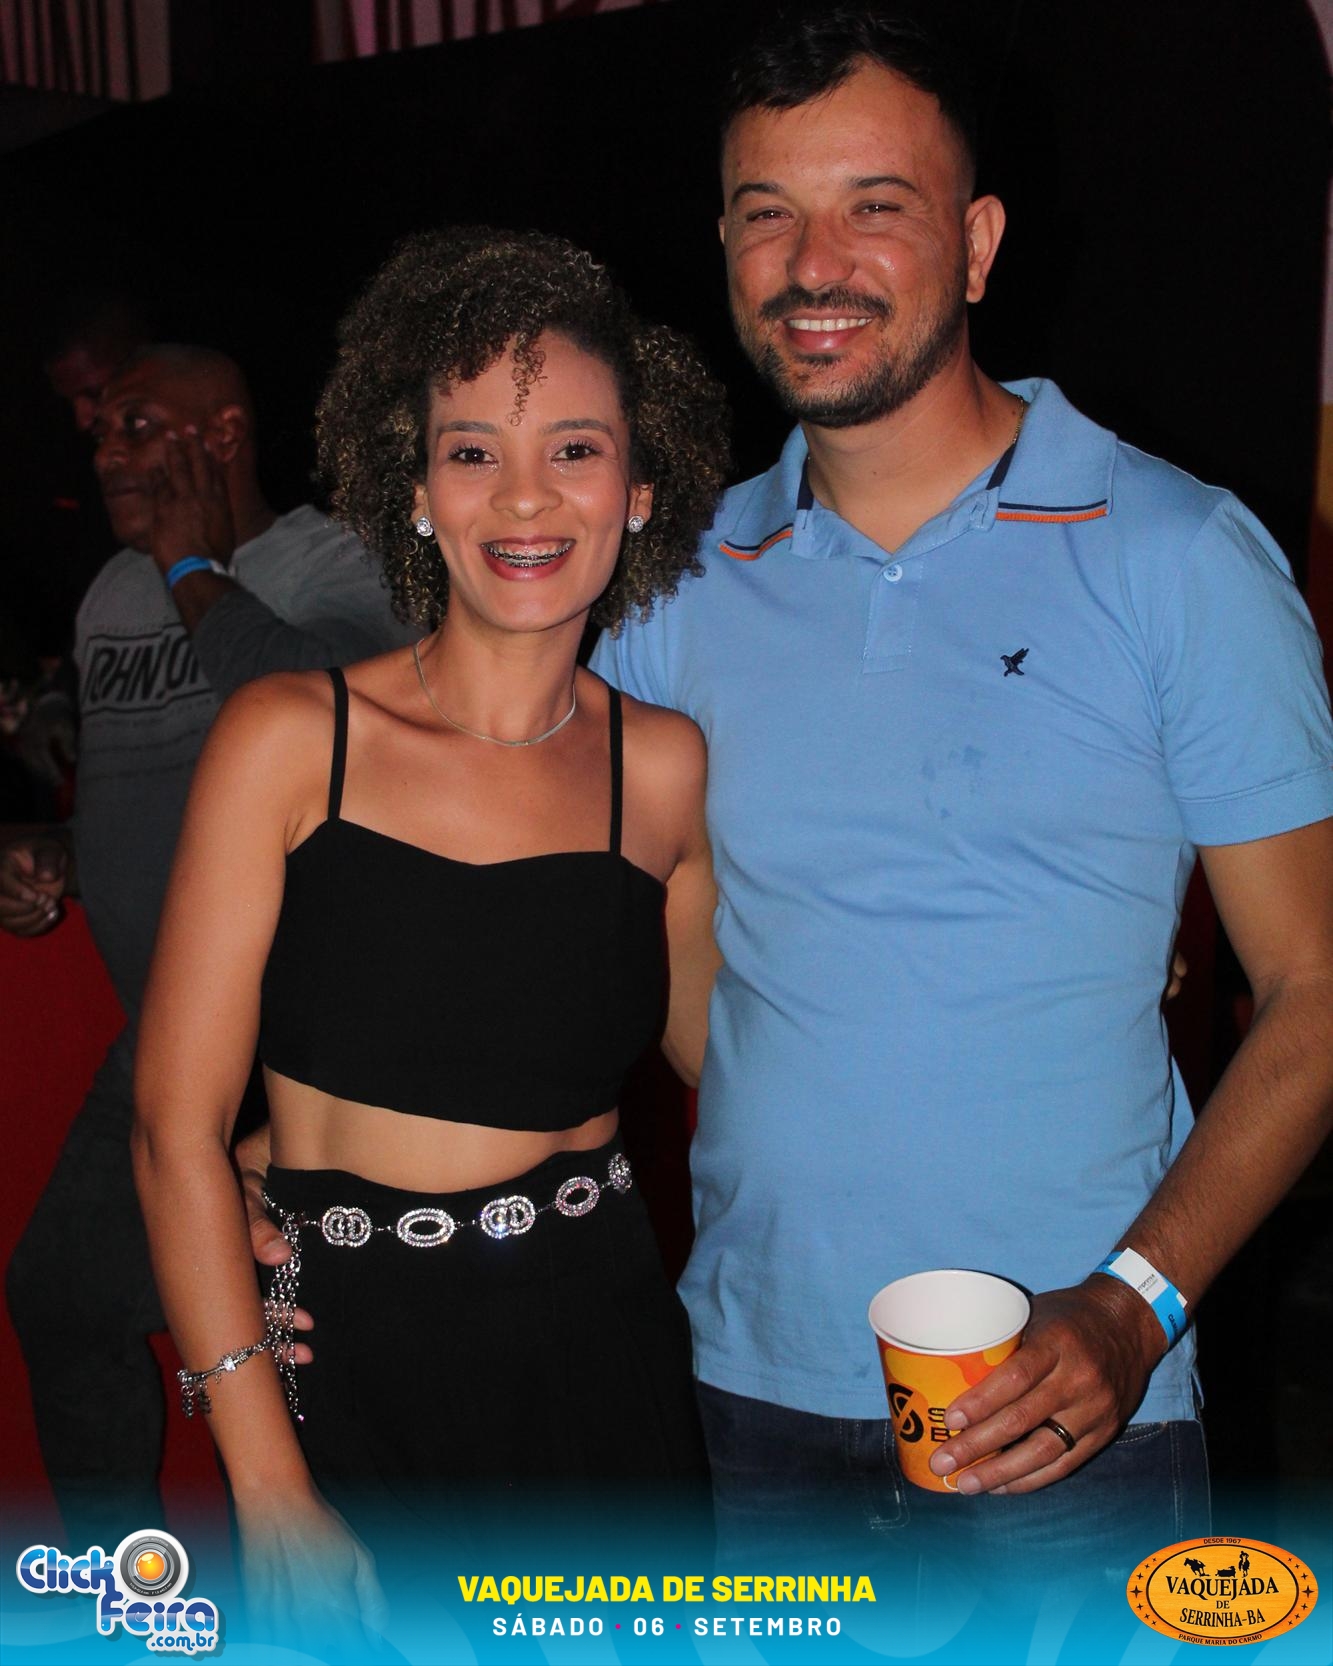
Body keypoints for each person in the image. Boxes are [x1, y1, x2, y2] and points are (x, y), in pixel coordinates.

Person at [589, 1, 1333, 1605]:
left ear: (978, 243)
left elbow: (1315, 993)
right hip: (750, 1393)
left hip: (1075, 1399)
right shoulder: (672, 584)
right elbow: (582, 914)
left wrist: (1134, 1305)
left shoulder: (1177, 555)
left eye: (875, 205)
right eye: (767, 213)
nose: (814, 263)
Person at [131, 228, 728, 1642]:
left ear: (639, 487)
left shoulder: (663, 768)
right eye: (472, 452)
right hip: (352, 1368)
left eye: (574, 448)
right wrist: (266, 1481)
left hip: (600, 1349)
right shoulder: (292, 739)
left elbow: (737, 1058)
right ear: (413, 488)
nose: (524, 495)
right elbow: (169, 1129)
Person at [3, 343, 412, 1550]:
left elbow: (326, 719)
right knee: (61, 1295)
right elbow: (120, 778)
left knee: (300, 1354)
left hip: (311, 1053)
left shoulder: (340, 564)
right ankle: (131, 1598)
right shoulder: (108, 595)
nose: (105, 451)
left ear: (223, 434)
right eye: (101, 434)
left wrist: (192, 566)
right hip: (166, 1043)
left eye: (138, 426)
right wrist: (53, 849)